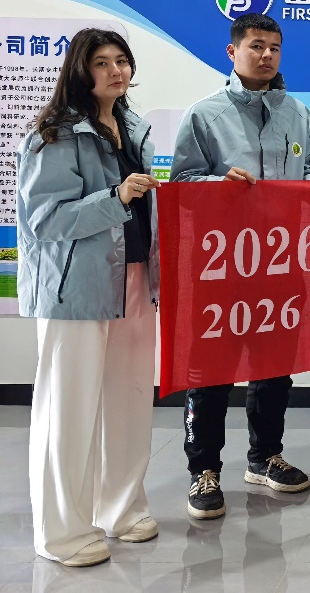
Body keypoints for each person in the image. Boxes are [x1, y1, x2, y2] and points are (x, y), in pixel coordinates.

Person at [172, 12, 310, 518]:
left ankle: (265, 456)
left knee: (274, 367)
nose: (266, 55)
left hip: (282, 264)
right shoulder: (205, 114)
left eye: (274, 48)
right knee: (211, 371)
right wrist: (217, 186)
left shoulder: (298, 114)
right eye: (256, 46)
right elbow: (180, 185)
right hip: (220, 268)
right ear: (232, 52)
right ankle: (204, 470)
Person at [16, 29, 161, 567]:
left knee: (129, 401)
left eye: (122, 60)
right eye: (102, 62)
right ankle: (61, 533)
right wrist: (115, 197)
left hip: (134, 279)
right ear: (81, 70)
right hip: (75, 287)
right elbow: (45, 220)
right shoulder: (54, 135)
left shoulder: (133, 127)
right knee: (68, 411)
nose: (116, 71)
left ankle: (121, 509)